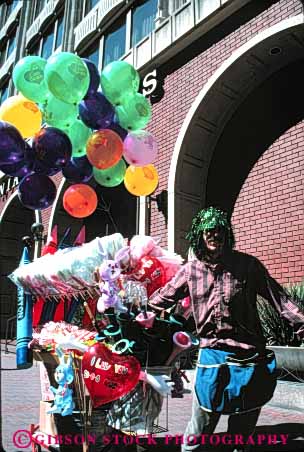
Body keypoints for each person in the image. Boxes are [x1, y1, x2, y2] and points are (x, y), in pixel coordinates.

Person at [149, 207, 304, 452]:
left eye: (219, 230)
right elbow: (162, 298)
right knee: (199, 431)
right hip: (213, 357)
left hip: (249, 358)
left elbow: (280, 299)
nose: (214, 235)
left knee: (240, 436)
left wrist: (301, 324)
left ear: (227, 234)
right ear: (199, 235)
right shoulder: (191, 271)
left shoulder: (248, 266)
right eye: (208, 231)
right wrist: (138, 312)